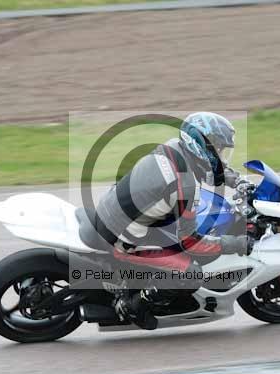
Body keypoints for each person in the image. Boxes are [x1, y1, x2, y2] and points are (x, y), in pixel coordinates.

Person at [92, 112, 253, 329]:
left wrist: (237, 180)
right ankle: (133, 306)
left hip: (116, 211)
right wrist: (234, 244)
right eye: (218, 149)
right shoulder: (186, 187)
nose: (221, 156)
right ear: (201, 146)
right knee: (190, 273)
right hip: (121, 237)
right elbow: (191, 243)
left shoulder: (173, 148)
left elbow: (209, 170)